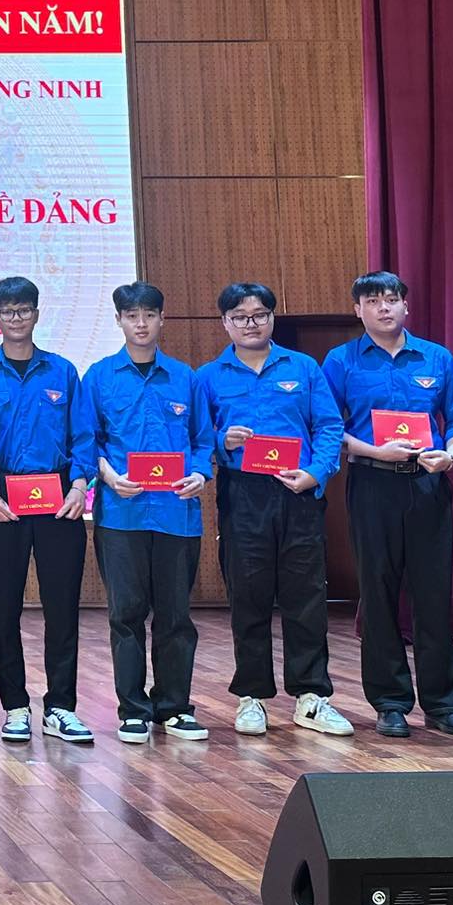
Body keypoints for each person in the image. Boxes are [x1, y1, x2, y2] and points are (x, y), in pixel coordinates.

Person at [321, 271, 453, 739]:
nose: (384, 308)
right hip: (373, 484)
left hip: (428, 484)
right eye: (373, 301)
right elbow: (327, 426)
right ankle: (389, 702)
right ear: (358, 310)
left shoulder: (436, 357)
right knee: (378, 594)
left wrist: (450, 456)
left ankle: (443, 704)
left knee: (433, 596)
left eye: (392, 299)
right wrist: (373, 450)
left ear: (406, 306)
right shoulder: (341, 360)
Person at [193, 282, 349, 737]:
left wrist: (315, 474)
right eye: (240, 317)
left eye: (259, 314)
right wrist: (223, 441)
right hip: (243, 494)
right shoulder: (208, 376)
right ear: (225, 323)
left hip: (297, 490)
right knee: (249, 596)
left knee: (306, 596)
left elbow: (329, 426)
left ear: (272, 318)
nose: (251, 324)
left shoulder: (302, 367)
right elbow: (198, 439)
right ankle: (252, 696)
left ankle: (311, 696)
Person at [0, 276, 98, 746]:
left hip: (58, 497)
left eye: (23, 310)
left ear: (37, 314)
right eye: (7, 311)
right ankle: (15, 707)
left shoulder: (63, 372)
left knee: (62, 606)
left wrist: (79, 484)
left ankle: (61, 707)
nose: (15, 318)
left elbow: (83, 435)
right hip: (1, 498)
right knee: (4, 606)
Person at [80, 283, 213, 745]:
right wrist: (108, 476)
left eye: (149, 314)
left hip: (177, 514)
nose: (141, 323)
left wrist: (200, 474)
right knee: (126, 614)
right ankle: (133, 709)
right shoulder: (99, 377)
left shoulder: (184, 377)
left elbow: (202, 440)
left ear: (161, 319)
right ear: (118, 320)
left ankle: (174, 707)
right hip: (121, 515)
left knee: (176, 617)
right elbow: (88, 441)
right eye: (132, 315)